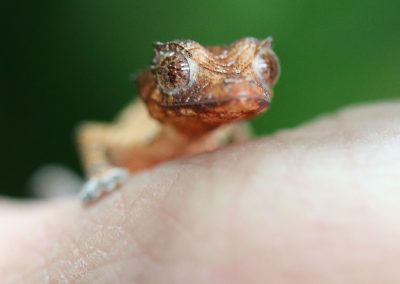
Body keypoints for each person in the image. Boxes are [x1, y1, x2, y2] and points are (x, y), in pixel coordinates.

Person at [1, 102, 400, 283]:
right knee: (54, 185)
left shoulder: (223, 127)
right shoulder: (145, 132)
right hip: (97, 197)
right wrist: (99, 174)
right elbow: (93, 134)